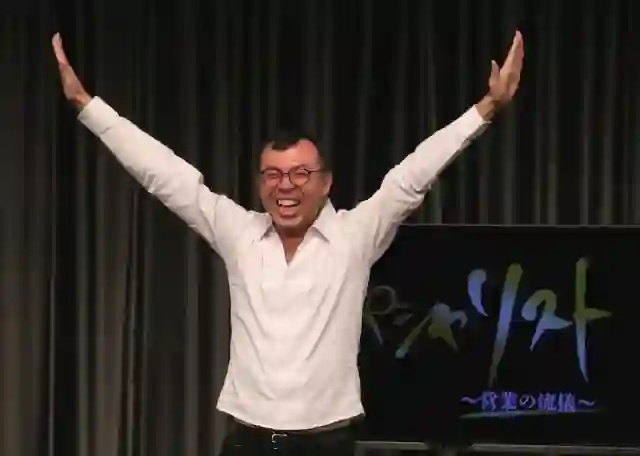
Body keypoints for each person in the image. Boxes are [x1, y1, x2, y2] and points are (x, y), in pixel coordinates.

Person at [52, 30, 524, 455]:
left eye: (300, 174)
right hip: (247, 441)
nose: (286, 186)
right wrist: (87, 106)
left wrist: (487, 108)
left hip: (326, 443)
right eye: (274, 175)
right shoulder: (239, 233)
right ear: (261, 183)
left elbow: (412, 176)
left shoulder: (355, 236)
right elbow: (165, 175)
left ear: (326, 183)